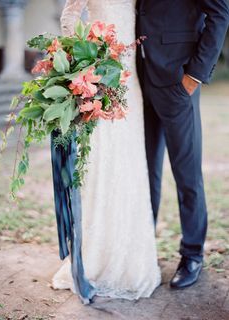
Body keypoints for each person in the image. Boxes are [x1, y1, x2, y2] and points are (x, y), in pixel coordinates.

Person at [51, 0, 161, 304]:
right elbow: (69, 14)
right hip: (100, 77)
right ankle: (96, 253)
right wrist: (89, 58)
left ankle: (131, 256)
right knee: (101, 162)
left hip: (130, 82)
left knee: (130, 163)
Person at [135, 0, 229, 289]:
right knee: (145, 171)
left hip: (178, 79)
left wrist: (195, 75)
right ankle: (143, 247)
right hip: (139, 79)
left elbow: (220, 13)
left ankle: (192, 254)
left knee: (187, 174)